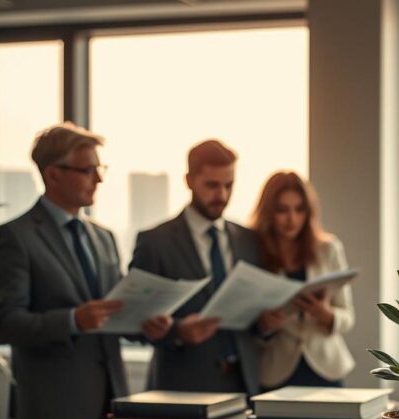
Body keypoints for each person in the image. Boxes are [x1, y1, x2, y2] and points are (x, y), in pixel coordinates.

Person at [0, 122, 172, 419]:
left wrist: (145, 325)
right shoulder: (14, 236)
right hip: (52, 412)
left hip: (109, 404)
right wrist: (73, 320)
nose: (98, 180)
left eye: (99, 169)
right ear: (54, 174)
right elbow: (2, 323)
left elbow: (113, 311)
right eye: (88, 170)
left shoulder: (102, 237)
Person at [130, 139, 262, 396]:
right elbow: (134, 323)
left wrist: (266, 324)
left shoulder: (249, 240)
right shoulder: (155, 242)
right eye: (212, 185)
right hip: (181, 387)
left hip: (243, 386)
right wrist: (177, 331)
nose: (221, 195)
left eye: (229, 185)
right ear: (189, 181)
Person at [251, 171, 355, 390]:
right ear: (269, 212)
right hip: (275, 371)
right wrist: (265, 327)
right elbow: (246, 322)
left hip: (325, 367)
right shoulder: (253, 252)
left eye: (299, 209)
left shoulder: (328, 249)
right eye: (282, 210)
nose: (292, 219)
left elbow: (348, 316)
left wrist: (325, 315)